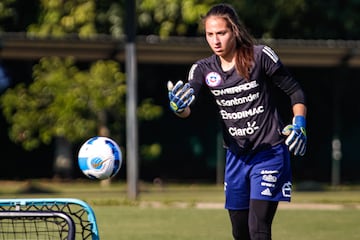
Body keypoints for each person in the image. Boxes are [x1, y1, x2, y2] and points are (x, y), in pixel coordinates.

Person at [167, 3, 307, 240]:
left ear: (235, 31)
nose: (216, 40)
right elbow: (188, 108)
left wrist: (300, 122)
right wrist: (178, 107)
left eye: (221, 33)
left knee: (258, 228)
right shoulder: (202, 69)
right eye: (210, 35)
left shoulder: (260, 56)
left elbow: (295, 91)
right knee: (240, 231)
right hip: (236, 157)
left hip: (270, 153)